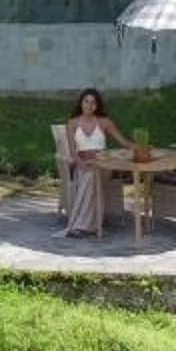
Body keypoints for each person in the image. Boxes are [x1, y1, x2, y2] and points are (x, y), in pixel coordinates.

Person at [61, 88, 131, 238]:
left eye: (93, 102)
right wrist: (79, 162)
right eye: (86, 101)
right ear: (80, 103)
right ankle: (89, 225)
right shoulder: (72, 123)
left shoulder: (105, 122)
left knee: (93, 174)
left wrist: (141, 147)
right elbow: (73, 151)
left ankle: (81, 225)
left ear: (97, 105)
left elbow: (124, 142)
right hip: (82, 164)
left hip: (103, 164)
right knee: (89, 175)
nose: (89, 105)